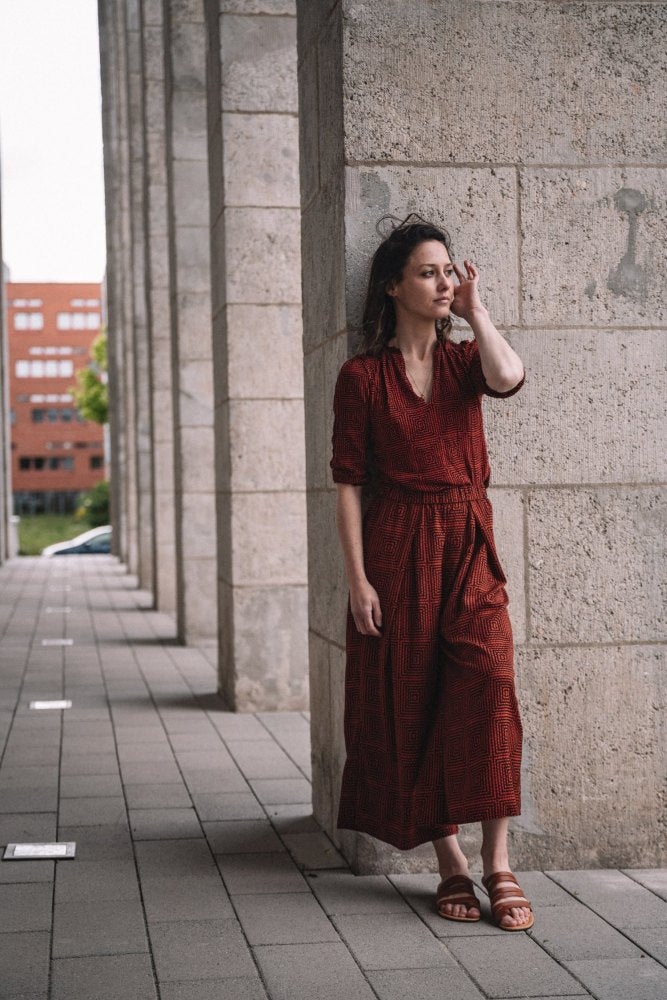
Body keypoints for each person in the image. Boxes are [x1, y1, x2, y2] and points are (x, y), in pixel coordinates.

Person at [330, 213, 534, 931]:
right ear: (393, 286)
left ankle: (496, 861)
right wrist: (357, 580)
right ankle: (450, 862)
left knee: (488, 684)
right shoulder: (361, 377)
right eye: (428, 272)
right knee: (414, 701)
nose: (443, 282)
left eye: (449, 270)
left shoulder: (461, 362)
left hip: (466, 541)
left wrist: (476, 311)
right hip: (396, 546)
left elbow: (508, 376)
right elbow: (348, 481)